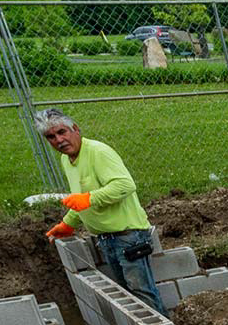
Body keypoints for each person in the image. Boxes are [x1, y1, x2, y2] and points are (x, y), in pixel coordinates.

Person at [36, 108, 166, 314]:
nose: (59, 140)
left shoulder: (98, 152)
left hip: (129, 236)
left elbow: (125, 185)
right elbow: (81, 197)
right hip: (106, 239)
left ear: (75, 129)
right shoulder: (66, 160)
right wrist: (68, 223)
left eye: (62, 132)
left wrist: (89, 198)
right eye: (51, 137)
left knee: (142, 294)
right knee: (129, 295)